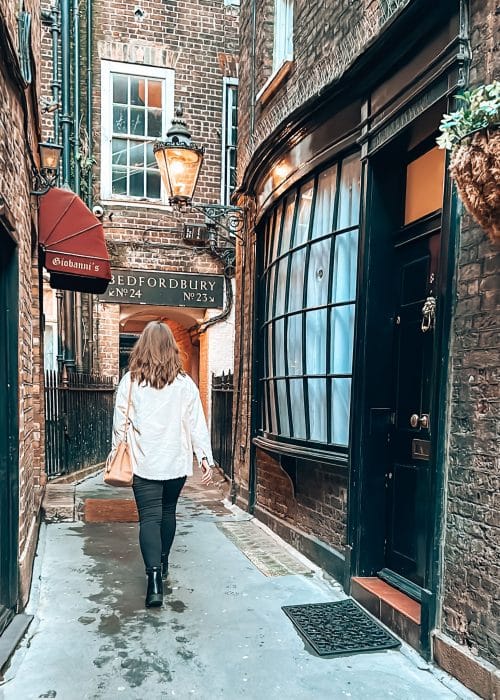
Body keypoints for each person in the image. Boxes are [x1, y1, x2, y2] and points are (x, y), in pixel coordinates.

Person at [111, 321, 214, 608]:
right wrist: (203, 456)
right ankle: (163, 562)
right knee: (167, 513)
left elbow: (121, 423)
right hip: (175, 463)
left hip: (144, 461)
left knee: (149, 519)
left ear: (142, 347)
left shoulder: (130, 381)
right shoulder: (184, 384)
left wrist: (116, 451)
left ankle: (154, 580)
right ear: (172, 348)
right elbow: (196, 423)